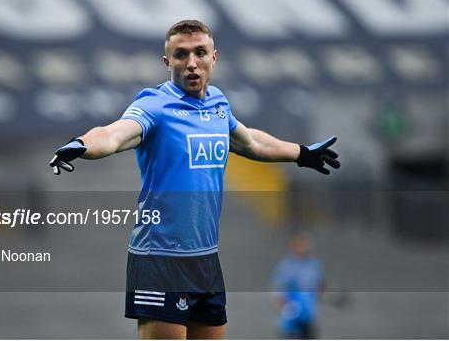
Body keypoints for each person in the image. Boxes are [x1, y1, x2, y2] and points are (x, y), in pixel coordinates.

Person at [49, 20, 340, 339]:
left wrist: (300, 153)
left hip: (205, 259)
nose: (191, 62)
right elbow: (114, 134)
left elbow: (250, 142)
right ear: (167, 62)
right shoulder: (155, 105)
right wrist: (83, 144)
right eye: (180, 54)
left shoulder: (218, 103)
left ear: (214, 57)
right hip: (160, 259)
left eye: (200, 52)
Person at [272, 233, 324, 339]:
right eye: (300, 244)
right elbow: (278, 290)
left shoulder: (314, 265)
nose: (303, 247)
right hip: (291, 319)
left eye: (305, 244)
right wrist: (284, 307)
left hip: (308, 315)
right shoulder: (286, 266)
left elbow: (318, 286)